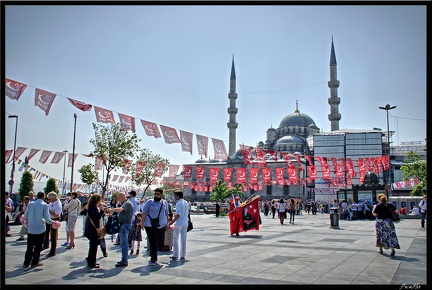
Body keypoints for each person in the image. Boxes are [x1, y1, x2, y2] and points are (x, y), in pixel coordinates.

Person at [23, 191, 59, 268]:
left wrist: (27, 221)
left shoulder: (30, 204)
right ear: (43, 197)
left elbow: (25, 216)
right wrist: (53, 222)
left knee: (29, 246)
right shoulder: (44, 205)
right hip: (40, 229)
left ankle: (26, 262)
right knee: (38, 246)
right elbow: (47, 218)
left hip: (31, 228)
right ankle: (35, 261)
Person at [141, 188, 170, 266]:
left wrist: (167, 223)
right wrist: (142, 222)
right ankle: (153, 259)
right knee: (153, 241)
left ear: (161, 195)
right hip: (150, 225)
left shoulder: (164, 203)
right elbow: (144, 212)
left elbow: (166, 213)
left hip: (162, 225)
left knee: (159, 242)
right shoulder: (149, 202)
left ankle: (153, 254)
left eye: (158, 194)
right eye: (155, 194)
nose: (156, 196)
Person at [106, 192, 134, 267]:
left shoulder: (127, 203)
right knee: (123, 243)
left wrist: (111, 210)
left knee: (124, 243)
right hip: (124, 224)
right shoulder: (126, 203)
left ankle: (124, 260)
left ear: (122, 197)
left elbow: (121, 209)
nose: (118, 200)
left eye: (118, 198)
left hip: (125, 224)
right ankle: (124, 259)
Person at [83, 193, 106, 268]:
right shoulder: (93, 208)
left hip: (91, 229)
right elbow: (96, 217)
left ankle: (91, 260)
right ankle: (92, 263)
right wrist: (102, 211)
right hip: (93, 230)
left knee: (92, 246)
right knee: (93, 247)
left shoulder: (92, 207)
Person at [168, 191, 190, 260]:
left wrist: (171, 222)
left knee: (175, 238)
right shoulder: (186, 203)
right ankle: (183, 254)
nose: (174, 197)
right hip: (185, 223)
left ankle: (176, 254)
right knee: (183, 239)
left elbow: (178, 214)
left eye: (175, 195)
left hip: (179, 223)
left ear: (178, 196)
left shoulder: (179, 203)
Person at [43, 192, 62, 257]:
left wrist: (49, 211)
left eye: (50, 199)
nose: (49, 200)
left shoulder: (58, 205)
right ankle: (45, 245)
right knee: (46, 232)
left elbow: (57, 215)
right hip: (49, 219)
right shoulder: (51, 202)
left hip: (54, 220)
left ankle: (53, 251)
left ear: (54, 198)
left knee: (53, 236)